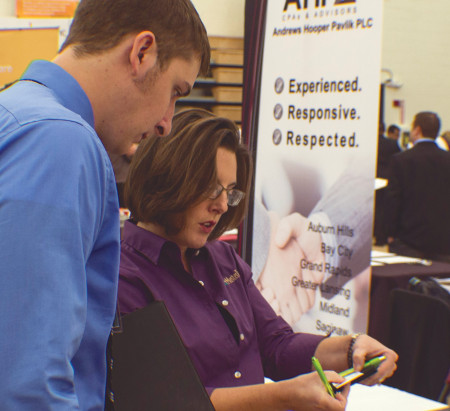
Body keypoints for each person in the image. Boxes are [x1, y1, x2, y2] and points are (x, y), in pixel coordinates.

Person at [0, 0, 210, 409]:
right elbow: (28, 385)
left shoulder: (19, 115)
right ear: (142, 53)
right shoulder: (60, 141)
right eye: (175, 92)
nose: (168, 122)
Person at [118, 108, 398, 411]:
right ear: (167, 177)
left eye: (230, 192)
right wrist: (284, 395)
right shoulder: (124, 276)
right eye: (211, 189)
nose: (222, 205)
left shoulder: (222, 258)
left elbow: (275, 344)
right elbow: (168, 401)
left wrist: (351, 349)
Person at [385, 111, 450, 262]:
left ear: (417, 130)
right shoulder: (447, 160)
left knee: (406, 283)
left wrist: (389, 233)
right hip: (442, 241)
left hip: (407, 239)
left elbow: (393, 199)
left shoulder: (400, 160)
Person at [373, 122, 401, 245]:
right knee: (383, 209)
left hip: (372, 176)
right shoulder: (392, 144)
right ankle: (381, 237)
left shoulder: (370, 143)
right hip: (387, 178)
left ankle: (372, 233)